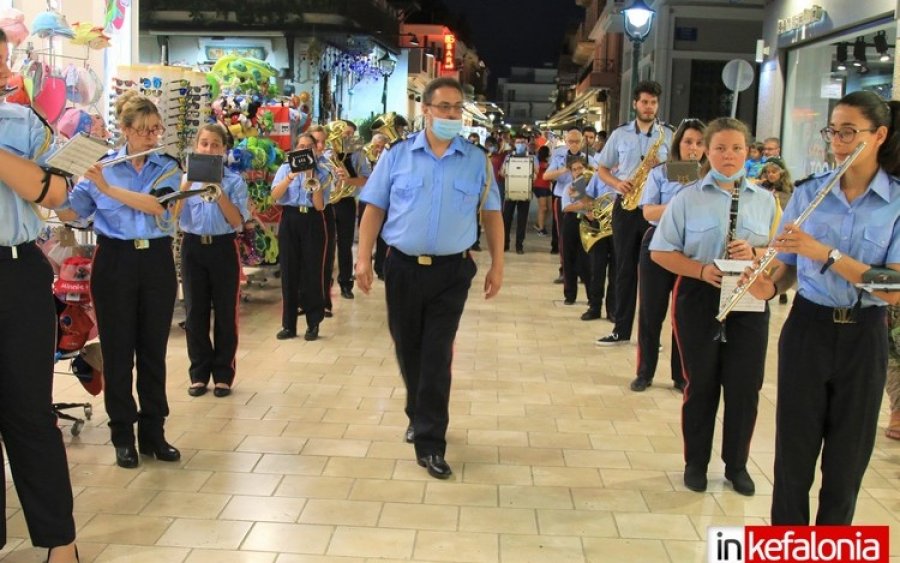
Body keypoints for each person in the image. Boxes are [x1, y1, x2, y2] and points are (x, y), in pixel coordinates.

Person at [744, 91, 900, 524]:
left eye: (849, 132)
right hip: (807, 329)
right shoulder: (810, 193)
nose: (838, 142)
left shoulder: (897, 203)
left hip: (864, 334)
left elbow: (894, 287)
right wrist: (766, 285)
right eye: (833, 131)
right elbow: (786, 267)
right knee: (792, 459)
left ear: (880, 135)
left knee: (846, 466)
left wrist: (826, 253)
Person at [356, 77, 503, 480]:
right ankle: (417, 411)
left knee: (437, 354)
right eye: (444, 107)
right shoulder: (397, 156)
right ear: (426, 110)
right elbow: (373, 208)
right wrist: (363, 259)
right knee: (409, 349)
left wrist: (498, 265)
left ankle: (431, 442)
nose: (452, 115)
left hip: (452, 272)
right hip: (402, 266)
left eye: (458, 108)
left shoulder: (476, 160)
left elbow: (491, 214)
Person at [650, 117, 775, 497]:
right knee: (701, 384)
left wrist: (754, 253)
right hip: (700, 295)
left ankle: (736, 465)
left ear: (749, 153)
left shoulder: (765, 199)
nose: (728, 156)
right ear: (706, 150)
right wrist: (701, 270)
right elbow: (660, 252)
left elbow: (778, 254)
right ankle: (696, 463)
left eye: (737, 148)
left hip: (748, 296)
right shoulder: (687, 198)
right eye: (720, 148)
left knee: (744, 387)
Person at [64, 92, 182, 470]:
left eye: (155, 129)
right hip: (114, 260)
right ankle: (122, 436)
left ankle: (154, 432)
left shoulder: (167, 166)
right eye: (144, 130)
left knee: (153, 350)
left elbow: (158, 206)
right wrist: (54, 181)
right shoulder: (103, 167)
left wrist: (107, 190)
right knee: (117, 353)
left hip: (157, 260)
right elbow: (72, 210)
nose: (152, 136)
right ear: (126, 130)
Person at [0, 29, 79, 562]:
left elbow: (60, 194)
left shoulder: (20, 122)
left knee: (27, 413)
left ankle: (60, 541)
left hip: (12, 273)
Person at [631, 118, 706, 392]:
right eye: (688, 142)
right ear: (679, 145)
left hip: (693, 250)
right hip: (659, 245)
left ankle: (681, 374)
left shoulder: (710, 178)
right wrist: (679, 204)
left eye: (699, 143)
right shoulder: (661, 173)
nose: (693, 148)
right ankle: (644, 372)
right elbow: (648, 212)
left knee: (684, 315)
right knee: (651, 312)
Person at [597, 81, 673, 346]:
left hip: (655, 209)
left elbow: (682, 170)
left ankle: (651, 337)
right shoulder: (619, 135)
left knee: (654, 274)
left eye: (653, 103)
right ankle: (621, 329)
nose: (649, 107)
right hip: (626, 206)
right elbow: (602, 168)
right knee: (624, 269)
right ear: (635, 104)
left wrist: (663, 165)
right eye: (644, 102)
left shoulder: (668, 134)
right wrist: (618, 183)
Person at [179, 124, 250, 398]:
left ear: (224, 149)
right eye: (204, 144)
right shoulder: (185, 180)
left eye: (216, 145)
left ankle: (223, 374)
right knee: (195, 311)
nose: (209, 149)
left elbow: (237, 222)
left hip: (223, 248)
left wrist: (219, 191)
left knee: (225, 313)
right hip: (193, 247)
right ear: (196, 147)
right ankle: (198, 374)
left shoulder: (234, 181)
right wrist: (187, 183)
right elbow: (171, 215)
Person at [271, 132, 332, 341]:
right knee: (289, 271)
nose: (304, 150)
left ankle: (313, 322)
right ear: (295, 149)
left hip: (312, 221)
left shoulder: (323, 171)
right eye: (301, 146)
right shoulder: (284, 168)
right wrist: (291, 176)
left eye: (309, 146)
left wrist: (309, 176)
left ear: (315, 150)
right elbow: (275, 196)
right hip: (290, 219)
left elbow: (319, 205)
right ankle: (288, 324)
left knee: (312, 273)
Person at [500, 132, 536, 254]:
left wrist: (529, 174)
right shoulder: (508, 157)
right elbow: (501, 172)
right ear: (514, 144)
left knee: (522, 220)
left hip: (525, 192)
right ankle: (505, 244)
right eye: (518, 142)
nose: (520, 144)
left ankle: (519, 245)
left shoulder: (532, 158)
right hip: (510, 191)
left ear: (527, 144)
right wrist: (507, 173)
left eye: (523, 142)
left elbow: (535, 174)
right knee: (506, 218)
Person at [532, 145, 551, 235]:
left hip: (546, 186)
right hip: (539, 186)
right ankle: (541, 228)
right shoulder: (537, 161)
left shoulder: (548, 162)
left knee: (550, 208)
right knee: (543, 208)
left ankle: (539, 223)